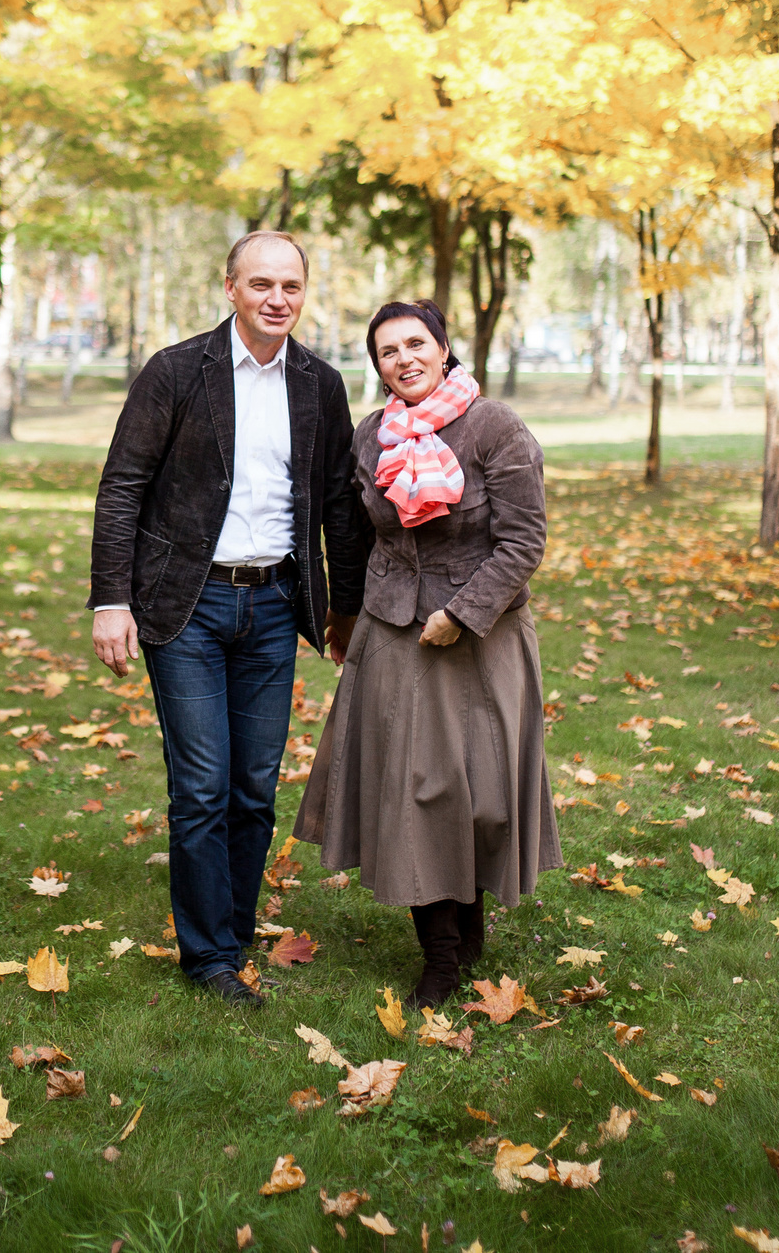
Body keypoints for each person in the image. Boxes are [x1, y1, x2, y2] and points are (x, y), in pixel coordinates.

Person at [89, 231, 368, 1007]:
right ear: (231, 288)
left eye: (291, 285)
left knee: (253, 786)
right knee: (204, 783)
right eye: (261, 284)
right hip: (188, 605)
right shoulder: (178, 371)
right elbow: (122, 487)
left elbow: (341, 508)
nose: (277, 298)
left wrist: (345, 607)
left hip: (277, 603)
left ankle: (234, 929)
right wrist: (111, 598)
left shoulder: (320, 383)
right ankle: (208, 955)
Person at [293, 298, 559, 1010]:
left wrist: (463, 614)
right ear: (377, 365)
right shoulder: (372, 435)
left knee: (478, 794)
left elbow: (523, 540)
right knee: (414, 790)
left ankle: (466, 918)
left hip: (484, 640)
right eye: (388, 351)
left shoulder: (494, 426)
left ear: (444, 348)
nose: (404, 358)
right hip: (394, 638)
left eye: (416, 343)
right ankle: (439, 955)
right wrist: (343, 615)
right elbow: (355, 533)